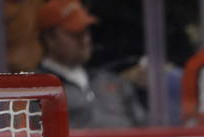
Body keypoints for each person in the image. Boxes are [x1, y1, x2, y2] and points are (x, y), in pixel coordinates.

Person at [35, 0, 146, 129]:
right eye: (75, 34)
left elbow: (145, 126)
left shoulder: (111, 80)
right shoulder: (37, 89)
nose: (85, 39)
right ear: (50, 38)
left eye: (86, 31)